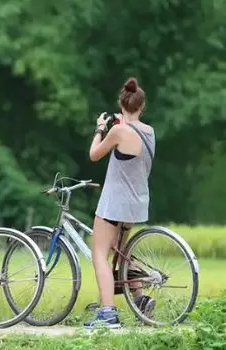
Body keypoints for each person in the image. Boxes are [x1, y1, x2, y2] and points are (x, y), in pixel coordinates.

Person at [85, 77, 156, 329]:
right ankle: (140, 298)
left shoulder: (117, 131)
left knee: (100, 254)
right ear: (142, 106)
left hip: (114, 203)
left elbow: (94, 155)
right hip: (137, 202)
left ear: (121, 103)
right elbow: (131, 138)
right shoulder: (149, 131)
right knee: (122, 253)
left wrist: (100, 128)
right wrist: (122, 122)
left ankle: (108, 313)